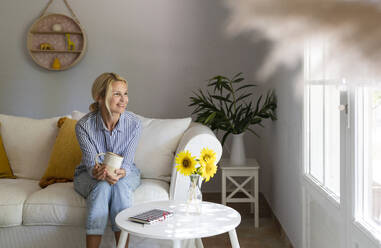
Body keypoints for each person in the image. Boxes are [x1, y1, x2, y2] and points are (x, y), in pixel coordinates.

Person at [73, 72, 142, 248]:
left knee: (117, 186)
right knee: (102, 186)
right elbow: (90, 165)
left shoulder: (134, 123)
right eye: (117, 94)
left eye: (125, 93)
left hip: (126, 172)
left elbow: (127, 161)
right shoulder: (83, 126)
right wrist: (98, 172)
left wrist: (120, 173)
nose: (123, 100)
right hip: (89, 174)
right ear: (99, 97)